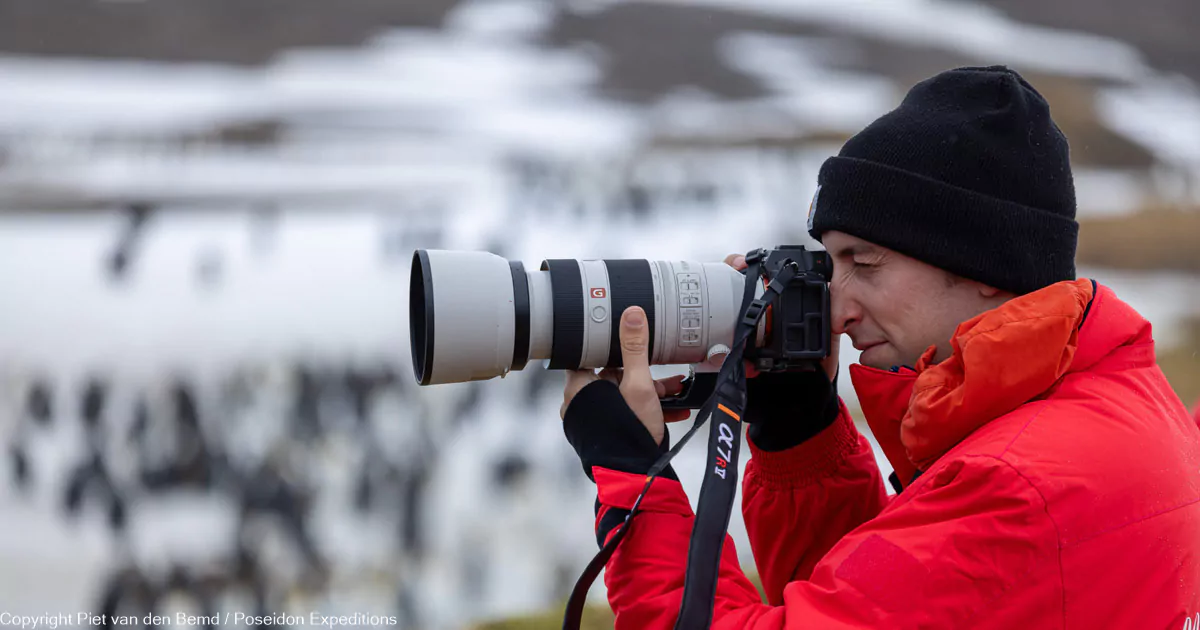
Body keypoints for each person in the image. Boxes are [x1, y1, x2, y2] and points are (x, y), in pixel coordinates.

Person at [560, 66, 1200, 629]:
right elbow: (868, 600)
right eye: (831, 267)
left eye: (864, 264)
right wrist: (799, 437)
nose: (837, 308)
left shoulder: (1016, 487)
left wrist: (634, 476)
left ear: (981, 264)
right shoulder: (1104, 397)